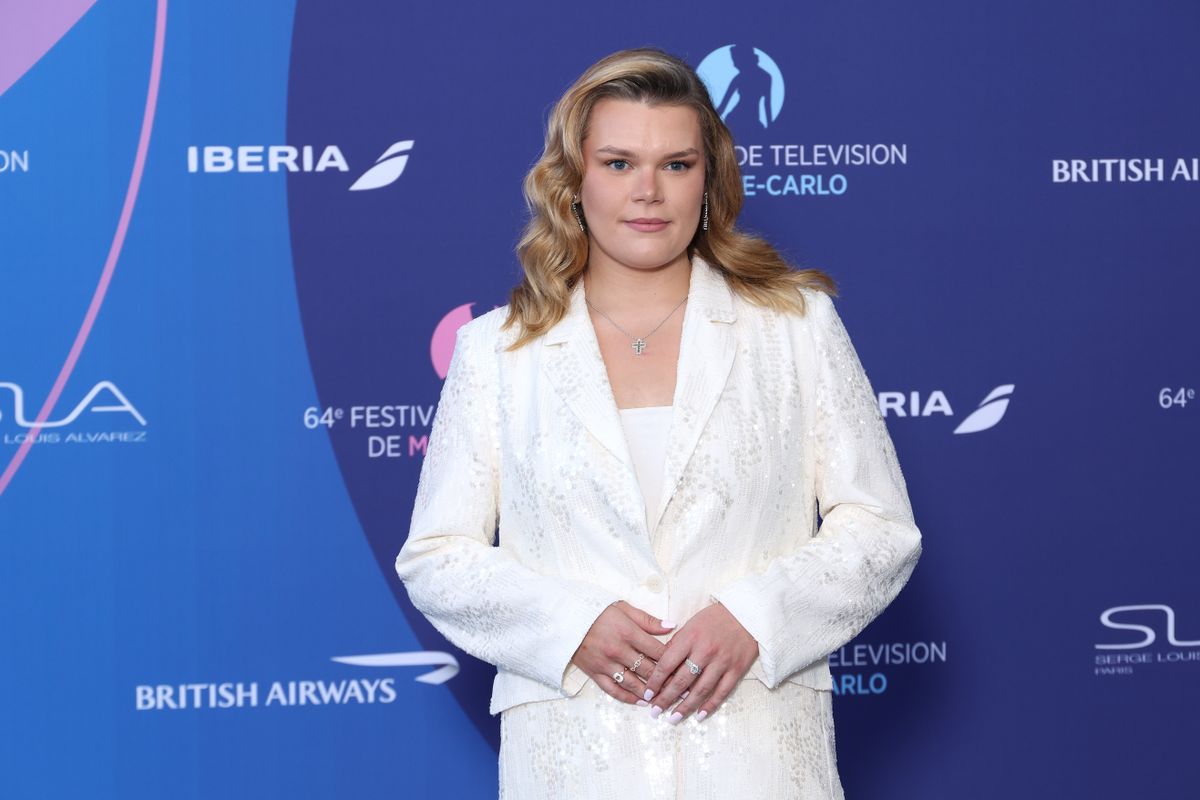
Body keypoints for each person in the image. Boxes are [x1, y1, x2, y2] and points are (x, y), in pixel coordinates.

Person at [395, 47, 922, 799]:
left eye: (676, 164)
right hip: (574, 761)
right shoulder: (498, 351)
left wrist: (754, 617)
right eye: (617, 163)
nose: (647, 192)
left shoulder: (793, 326)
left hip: (758, 755)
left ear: (709, 180)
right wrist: (574, 623)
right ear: (573, 182)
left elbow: (878, 526)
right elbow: (437, 556)